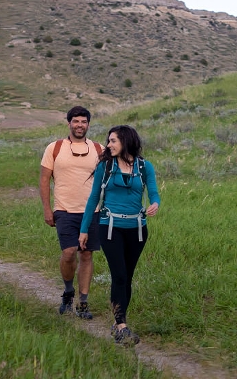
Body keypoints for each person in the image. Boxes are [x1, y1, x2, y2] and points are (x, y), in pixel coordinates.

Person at [79, 125, 160, 346]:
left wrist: (155, 204)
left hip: (138, 228)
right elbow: (93, 199)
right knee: (119, 275)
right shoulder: (105, 166)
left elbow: (153, 192)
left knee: (128, 277)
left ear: (126, 141)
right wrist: (84, 229)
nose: (109, 145)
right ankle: (121, 325)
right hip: (110, 226)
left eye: (113, 140)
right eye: (109, 141)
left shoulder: (144, 166)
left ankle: (118, 323)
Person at [39, 106, 103, 319]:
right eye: (76, 121)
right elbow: (44, 180)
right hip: (64, 210)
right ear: (69, 123)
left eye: (83, 122)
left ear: (88, 124)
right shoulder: (55, 148)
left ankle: (83, 302)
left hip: (91, 212)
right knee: (68, 253)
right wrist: (47, 209)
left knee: (86, 254)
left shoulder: (98, 149)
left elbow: (108, 179)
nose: (79, 125)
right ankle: (68, 291)